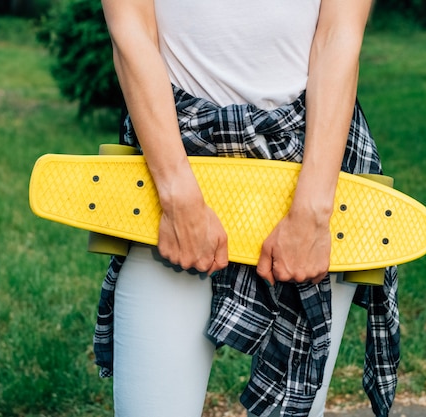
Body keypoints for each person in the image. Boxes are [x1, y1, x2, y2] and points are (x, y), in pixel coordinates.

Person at [94, 1, 400, 416]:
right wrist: (177, 198)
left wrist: (312, 213)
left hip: (311, 165)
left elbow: (339, 38)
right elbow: (131, 32)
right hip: (171, 161)